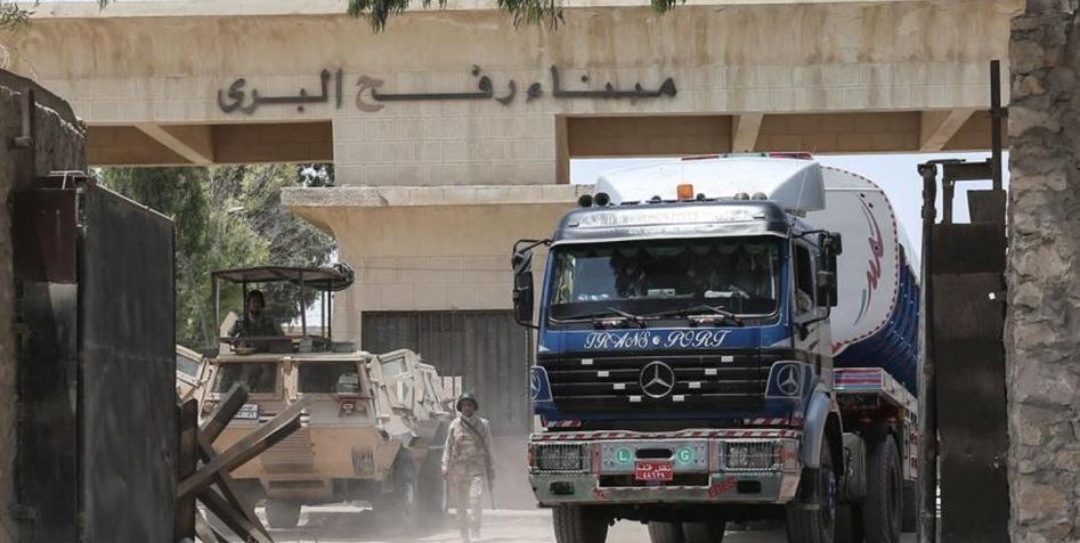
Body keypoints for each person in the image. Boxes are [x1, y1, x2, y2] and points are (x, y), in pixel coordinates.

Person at [441, 392, 495, 543]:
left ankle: (475, 531)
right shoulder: (454, 425)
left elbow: (489, 447)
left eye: (469, 405)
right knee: (460, 506)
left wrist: (492, 468)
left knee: (475, 501)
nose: (467, 408)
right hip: (459, 472)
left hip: (476, 470)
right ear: (460, 407)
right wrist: (444, 465)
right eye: (464, 405)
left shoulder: (483, 424)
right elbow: (448, 447)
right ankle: (464, 534)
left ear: (474, 407)